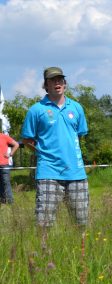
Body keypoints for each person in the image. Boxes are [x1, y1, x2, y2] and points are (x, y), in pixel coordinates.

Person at [21, 67, 89, 227]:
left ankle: (82, 252)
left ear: (65, 83)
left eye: (60, 79)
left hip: (76, 172)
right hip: (48, 172)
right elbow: (27, 139)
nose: (57, 83)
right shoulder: (36, 110)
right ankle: (45, 251)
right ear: (45, 85)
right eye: (52, 80)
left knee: (81, 222)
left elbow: (80, 135)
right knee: (44, 223)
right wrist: (43, 152)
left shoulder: (77, 107)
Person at [0, 132, 19, 204]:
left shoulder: (4, 136)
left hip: (4, 165)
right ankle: (2, 201)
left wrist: (10, 154)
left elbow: (16, 144)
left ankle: (11, 202)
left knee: (6, 183)